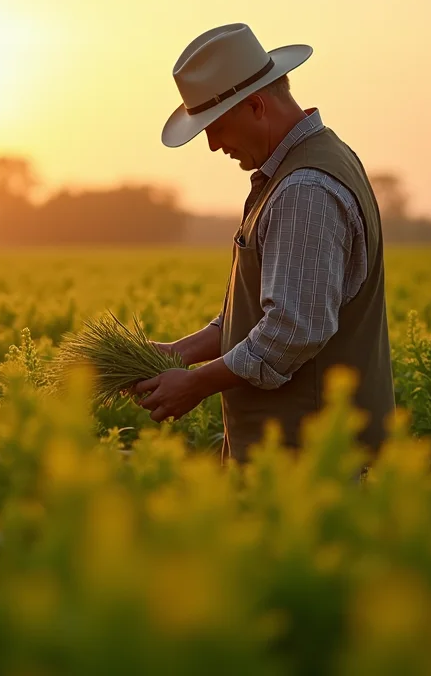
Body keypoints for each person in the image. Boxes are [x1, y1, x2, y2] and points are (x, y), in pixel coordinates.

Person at [131, 23, 395, 463]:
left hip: (313, 465)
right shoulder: (305, 169)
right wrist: (178, 353)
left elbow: (291, 331)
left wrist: (196, 384)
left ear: (255, 105)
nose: (214, 145)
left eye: (215, 127)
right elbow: (255, 315)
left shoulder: (304, 190)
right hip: (292, 462)